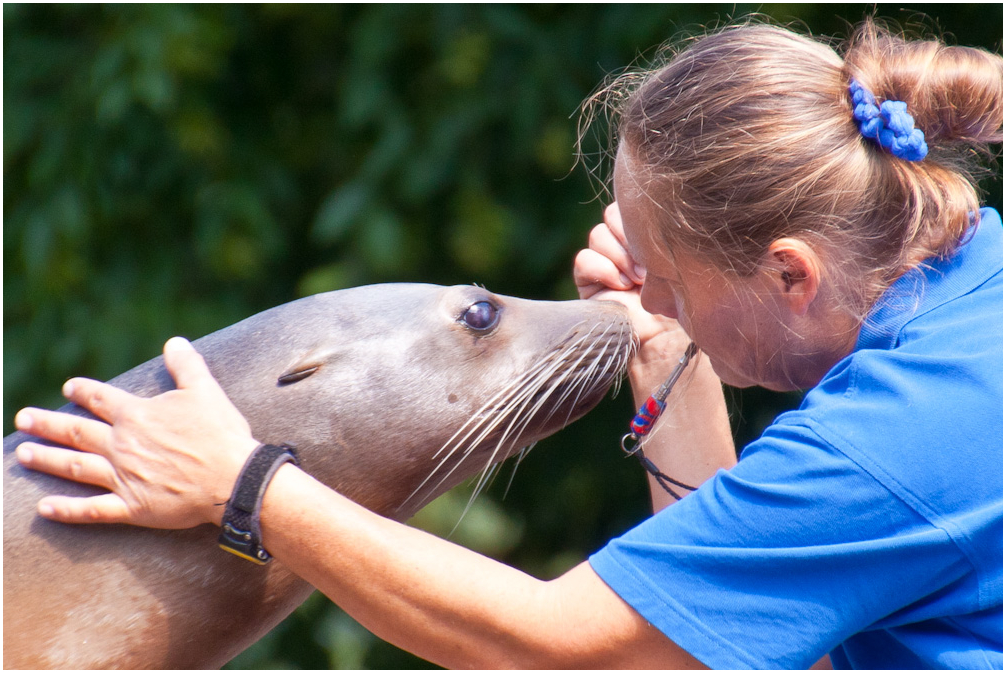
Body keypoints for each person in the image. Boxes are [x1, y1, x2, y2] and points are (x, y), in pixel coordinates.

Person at [13, 18, 1003, 669]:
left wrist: (247, 489)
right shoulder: (965, 310)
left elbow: (576, 654)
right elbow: (725, 643)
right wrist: (663, 355)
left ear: (790, 273)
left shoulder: (892, 439)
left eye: (665, 274)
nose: (632, 296)